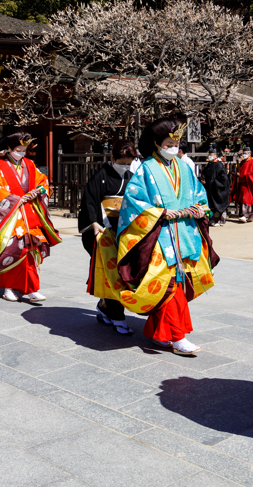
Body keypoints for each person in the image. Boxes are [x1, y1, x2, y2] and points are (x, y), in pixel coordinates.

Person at [115, 118, 218, 355]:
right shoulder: (147, 168)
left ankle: (160, 333)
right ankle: (178, 337)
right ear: (156, 143)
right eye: (169, 143)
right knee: (168, 284)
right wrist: (160, 212)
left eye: (176, 143)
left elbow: (198, 193)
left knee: (177, 284)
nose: (174, 147)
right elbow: (133, 202)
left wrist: (201, 206)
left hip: (184, 232)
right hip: (160, 234)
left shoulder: (183, 167)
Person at [0, 132, 60, 301]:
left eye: (24, 149)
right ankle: (9, 288)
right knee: (10, 249)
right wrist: (16, 199)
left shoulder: (30, 164)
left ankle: (31, 288)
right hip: (10, 215)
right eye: (19, 149)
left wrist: (38, 191)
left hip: (29, 213)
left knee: (30, 249)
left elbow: (43, 181)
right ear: (9, 149)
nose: (22, 152)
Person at [80, 139, 138, 335]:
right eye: (122, 162)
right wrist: (94, 223)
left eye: (128, 163)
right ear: (112, 158)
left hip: (122, 230)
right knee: (112, 272)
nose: (125, 167)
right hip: (101, 229)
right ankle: (117, 317)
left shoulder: (130, 176)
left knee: (122, 272)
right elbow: (89, 200)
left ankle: (105, 306)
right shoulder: (100, 175)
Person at [201, 149, 230, 227]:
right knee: (211, 205)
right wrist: (203, 180)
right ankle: (211, 219)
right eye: (209, 155)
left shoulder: (219, 165)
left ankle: (217, 220)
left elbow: (224, 179)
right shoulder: (208, 165)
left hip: (218, 189)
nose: (209, 156)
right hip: (209, 188)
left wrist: (214, 182)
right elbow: (204, 175)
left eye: (211, 155)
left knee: (217, 205)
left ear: (216, 156)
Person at [233, 148, 253, 223]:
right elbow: (238, 172)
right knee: (244, 199)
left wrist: (246, 175)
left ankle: (245, 215)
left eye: (245, 153)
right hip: (242, 184)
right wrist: (238, 174)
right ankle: (249, 215)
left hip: (250, 184)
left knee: (247, 200)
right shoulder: (242, 162)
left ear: (249, 154)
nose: (244, 155)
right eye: (243, 153)